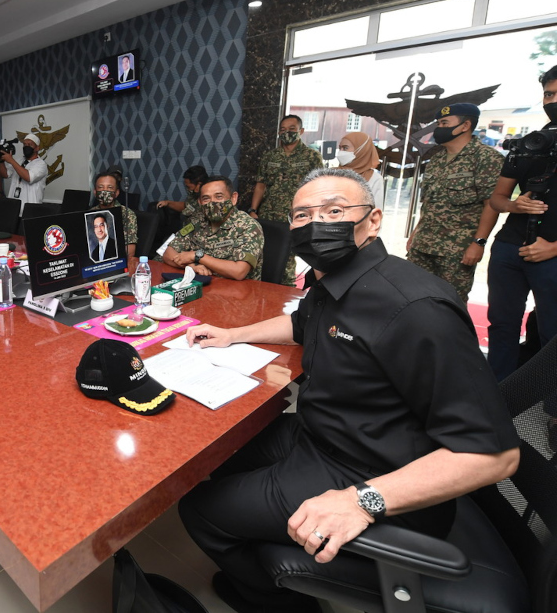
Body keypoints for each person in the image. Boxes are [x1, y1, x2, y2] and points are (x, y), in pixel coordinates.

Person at [178, 169, 520, 613]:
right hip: (325, 437)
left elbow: (494, 455)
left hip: (372, 472)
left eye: (334, 210)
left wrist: (362, 501)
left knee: (199, 510)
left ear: (373, 220)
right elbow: (300, 324)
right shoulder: (334, 279)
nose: (316, 223)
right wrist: (232, 334)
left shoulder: (415, 308)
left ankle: (271, 603)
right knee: (216, 452)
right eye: (302, 215)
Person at [487, 65, 557, 382]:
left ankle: (551, 409)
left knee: (551, 332)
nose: (552, 100)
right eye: (549, 94)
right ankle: (497, 393)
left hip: (551, 254)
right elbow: (497, 198)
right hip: (509, 248)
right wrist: (515, 204)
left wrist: (554, 247)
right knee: (502, 324)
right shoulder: (530, 145)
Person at [407, 103, 501, 303]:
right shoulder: (437, 159)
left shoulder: (485, 158)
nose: (438, 128)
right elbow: (429, 204)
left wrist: (479, 243)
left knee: (450, 305)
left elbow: (491, 205)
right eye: (438, 123)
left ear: (465, 125)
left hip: (456, 251)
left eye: (444, 123)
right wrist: (415, 234)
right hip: (423, 246)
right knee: (414, 300)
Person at [249, 115, 324, 285]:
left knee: (288, 258)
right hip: (269, 213)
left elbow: (318, 187)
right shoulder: (270, 156)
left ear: (301, 131)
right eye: (283, 130)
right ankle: (261, 290)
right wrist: (253, 210)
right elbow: (260, 185)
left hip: (295, 215)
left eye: (291, 129)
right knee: (264, 254)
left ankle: (286, 294)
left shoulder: (311, 156)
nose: (286, 133)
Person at [163, 176, 264, 280]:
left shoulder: (248, 226)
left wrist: (198, 256)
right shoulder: (196, 222)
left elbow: (239, 272)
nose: (212, 203)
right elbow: (168, 252)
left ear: (233, 198)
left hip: (238, 292)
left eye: (219, 197)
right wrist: (191, 267)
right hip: (202, 285)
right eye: (206, 198)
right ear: (200, 202)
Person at [91, 172, 137, 259]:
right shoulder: (91, 213)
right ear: (95, 192)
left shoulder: (126, 214)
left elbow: (130, 252)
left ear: (116, 193)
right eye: (101, 187)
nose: (105, 191)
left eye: (110, 188)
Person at [0, 133, 46, 215]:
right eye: (24, 144)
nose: (26, 146)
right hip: (13, 208)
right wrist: (1, 161)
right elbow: (5, 174)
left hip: (30, 209)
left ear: (37, 148)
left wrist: (11, 160)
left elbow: (29, 177)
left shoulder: (41, 164)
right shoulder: (19, 160)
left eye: (30, 144)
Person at [335, 132, 384, 208]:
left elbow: (376, 208)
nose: (341, 152)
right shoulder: (332, 173)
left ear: (362, 150)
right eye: (340, 148)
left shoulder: (374, 178)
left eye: (345, 148)